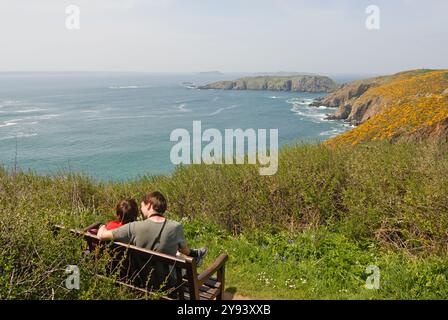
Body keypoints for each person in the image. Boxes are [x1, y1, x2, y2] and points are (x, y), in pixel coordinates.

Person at [97, 191, 208, 266]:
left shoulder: (133, 227)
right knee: (181, 259)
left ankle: (197, 257)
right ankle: (197, 258)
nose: (141, 209)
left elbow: (101, 236)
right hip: (169, 283)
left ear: (149, 205)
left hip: (143, 279)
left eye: (142, 206)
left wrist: (102, 226)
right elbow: (186, 251)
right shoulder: (176, 227)